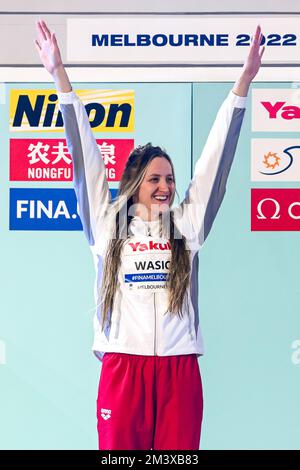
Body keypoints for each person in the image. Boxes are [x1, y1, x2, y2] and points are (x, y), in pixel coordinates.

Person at [34, 19, 265, 450]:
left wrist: (244, 83)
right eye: (155, 178)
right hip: (123, 366)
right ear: (134, 181)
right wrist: (59, 78)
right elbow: (83, 155)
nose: (165, 187)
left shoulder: (187, 225)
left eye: (170, 179)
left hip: (179, 369)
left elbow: (216, 159)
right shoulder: (105, 224)